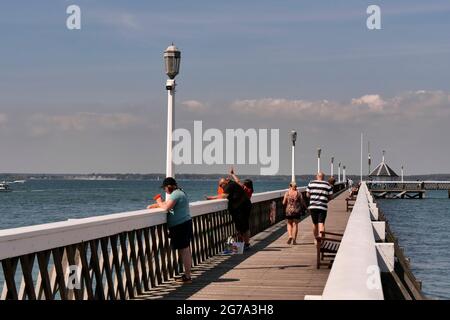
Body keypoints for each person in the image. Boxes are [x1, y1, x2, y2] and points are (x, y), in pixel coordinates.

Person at [148, 177, 193, 284]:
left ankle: (187, 277)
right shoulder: (180, 192)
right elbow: (170, 206)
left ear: (168, 187)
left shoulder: (176, 194)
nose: (164, 190)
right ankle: (187, 275)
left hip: (181, 226)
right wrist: (155, 205)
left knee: (184, 250)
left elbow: (166, 208)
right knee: (185, 250)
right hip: (184, 224)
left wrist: (158, 200)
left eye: (164, 188)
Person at [206, 178, 252, 250]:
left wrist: (211, 198)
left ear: (225, 182)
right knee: (245, 226)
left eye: (221, 185)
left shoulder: (229, 185)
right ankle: (245, 245)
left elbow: (223, 195)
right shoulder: (233, 184)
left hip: (240, 208)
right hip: (245, 206)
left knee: (241, 227)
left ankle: (242, 246)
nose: (221, 187)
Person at [306, 172, 333, 246]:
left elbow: (307, 195)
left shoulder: (311, 183)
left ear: (316, 176)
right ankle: (320, 240)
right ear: (323, 177)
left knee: (315, 224)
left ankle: (315, 239)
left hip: (313, 207)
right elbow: (331, 196)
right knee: (321, 224)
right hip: (322, 207)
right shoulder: (327, 184)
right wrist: (325, 200)